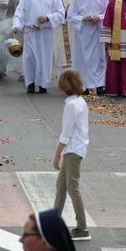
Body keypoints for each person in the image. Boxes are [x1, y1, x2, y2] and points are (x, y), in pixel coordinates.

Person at [53, 69, 91, 241]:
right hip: (77, 148)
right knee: (61, 186)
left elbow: (66, 134)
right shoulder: (80, 101)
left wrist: (56, 155)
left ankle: (82, 228)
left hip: (72, 149)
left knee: (71, 187)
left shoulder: (70, 105)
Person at [13, 0, 64, 94]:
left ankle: (43, 84)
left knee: (44, 58)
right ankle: (30, 83)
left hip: (45, 33)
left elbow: (61, 13)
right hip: (30, 31)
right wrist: (17, 25)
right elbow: (19, 12)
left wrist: (48, 18)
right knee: (30, 58)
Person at [53, 0, 80, 77]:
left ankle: (76, 79)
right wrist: (65, 11)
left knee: (75, 53)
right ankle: (62, 80)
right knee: (61, 53)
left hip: (75, 28)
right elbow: (53, 11)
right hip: (61, 27)